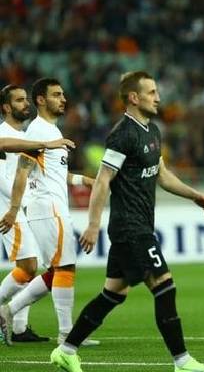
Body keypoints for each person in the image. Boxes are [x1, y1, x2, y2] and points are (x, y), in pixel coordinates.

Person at [48, 71, 204, 372]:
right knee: (165, 286)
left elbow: (162, 174)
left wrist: (195, 195)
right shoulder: (123, 134)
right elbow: (103, 179)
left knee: (114, 293)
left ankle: (66, 350)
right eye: (152, 92)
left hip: (138, 225)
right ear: (134, 98)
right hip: (130, 227)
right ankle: (182, 361)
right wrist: (93, 224)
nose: (158, 98)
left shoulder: (152, 130)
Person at [0, 78, 95, 347]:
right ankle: (67, 335)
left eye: (63, 94)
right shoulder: (38, 132)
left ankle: (9, 311)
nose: (63, 99)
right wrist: (13, 210)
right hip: (47, 207)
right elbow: (22, 172)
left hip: (50, 206)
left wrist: (85, 181)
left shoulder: (50, 131)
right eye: (56, 95)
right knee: (64, 268)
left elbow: (55, 173)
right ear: (41, 100)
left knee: (55, 270)